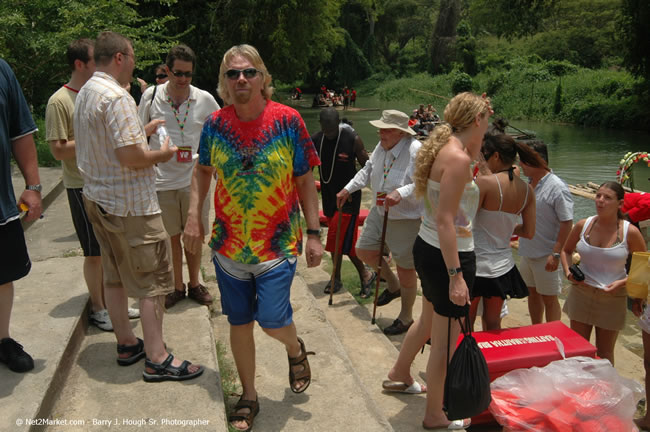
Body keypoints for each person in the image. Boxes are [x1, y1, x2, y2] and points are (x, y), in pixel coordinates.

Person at [182, 44, 323, 432]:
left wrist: (314, 233)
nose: (241, 80)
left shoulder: (288, 121)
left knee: (272, 319)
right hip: (228, 246)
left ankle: (294, 348)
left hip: (277, 245)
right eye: (232, 74)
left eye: (248, 72)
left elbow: (305, 179)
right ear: (224, 83)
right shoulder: (215, 124)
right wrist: (195, 216)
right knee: (239, 322)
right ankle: (248, 395)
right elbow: (202, 173)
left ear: (262, 77)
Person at [74, 31, 203, 382]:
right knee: (154, 282)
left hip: (99, 201)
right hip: (131, 207)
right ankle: (157, 357)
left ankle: (127, 342)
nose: (133, 64)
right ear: (119, 58)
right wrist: (162, 154)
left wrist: (141, 129)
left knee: (115, 277)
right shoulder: (117, 97)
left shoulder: (87, 91)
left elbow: (108, 143)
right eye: (130, 57)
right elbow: (132, 157)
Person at [383, 92, 492, 430]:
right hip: (450, 255)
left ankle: (400, 374)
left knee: (428, 322)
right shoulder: (457, 158)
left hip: (427, 247)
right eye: (486, 119)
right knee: (444, 344)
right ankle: (434, 414)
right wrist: (456, 276)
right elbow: (446, 218)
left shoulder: (447, 149)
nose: (489, 125)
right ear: (476, 121)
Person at [46, 38, 139, 332]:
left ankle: (115, 304)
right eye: (93, 60)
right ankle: (98, 308)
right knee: (93, 251)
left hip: (105, 184)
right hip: (79, 185)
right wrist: (97, 138)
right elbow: (58, 150)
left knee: (111, 249)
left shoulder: (93, 94)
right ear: (80, 64)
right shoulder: (59, 101)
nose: (100, 65)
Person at [138, 44, 220, 309]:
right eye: (177, 73)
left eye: (188, 74)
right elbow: (137, 134)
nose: (183, 79)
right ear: (167, 70)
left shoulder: (204, 99)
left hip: (194, 179)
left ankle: (195, 283)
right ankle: (176, 286)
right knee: (171, 237)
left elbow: (219, 130)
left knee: (193, 234)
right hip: (160, 180)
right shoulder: (151, 97)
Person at [337, 110, 423, 335]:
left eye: (386, 129)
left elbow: (423, 182)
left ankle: (406, 317)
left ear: (401, 133)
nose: (380, 132)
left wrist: (401, 192)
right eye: (380, 128)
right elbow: (368, 170)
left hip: (404, 217)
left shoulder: (415, 151)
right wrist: (348, 188)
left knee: (407, 269)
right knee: (364, 250)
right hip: (379, 209)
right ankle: (392, 286)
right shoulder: (381, 146)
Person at [560, 181, 646, 364]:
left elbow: (643, 267)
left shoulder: (629, 232)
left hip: (612, 297)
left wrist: (625, 285)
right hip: (581, 292)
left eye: (607, 198)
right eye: (598, 196)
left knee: (605, 354)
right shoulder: (584, 225)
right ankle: (578, 390)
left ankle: (604, 391)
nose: (600, 200)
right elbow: (566, 250)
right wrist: (568, 273)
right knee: (577, 349)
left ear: (620, 204)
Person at [469, 133, 540, 330]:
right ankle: (488, 360)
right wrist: (506, 227)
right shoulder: (527, 190)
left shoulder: (485, 183)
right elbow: (529, 231)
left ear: (496, 156)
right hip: (501, 265)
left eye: (485, 155)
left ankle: (464, 361)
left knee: (466, 320)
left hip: (476, 261)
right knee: (493, 323)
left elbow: (464, 221)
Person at [0, 58, 42, 373]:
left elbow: (20, 130)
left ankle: (3, 340)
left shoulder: (2, 70)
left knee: (3, 277)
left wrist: (33, 185)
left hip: (0, 204)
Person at [312, 108, 375, 296]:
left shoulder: (352, 139)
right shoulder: (316, 140)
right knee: (334, 238)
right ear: (321, 126)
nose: (329, 134)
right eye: (326, 130)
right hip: (329, 196)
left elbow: (368, 167)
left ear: (338, 123)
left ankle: (363, 274)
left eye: (332, 130)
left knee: (343, 239)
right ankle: (339, 277)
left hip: (349, 197)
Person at [518, 142, 573, 324]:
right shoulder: (529, 184)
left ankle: (552, 334)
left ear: (539, 161)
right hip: (527, 250)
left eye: (524, 162)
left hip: (546, 254)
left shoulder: (557, 187)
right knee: (532, 293)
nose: (521, 166)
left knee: (549, 298)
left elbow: (567, 222)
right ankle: (536, 330)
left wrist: (556, 253)